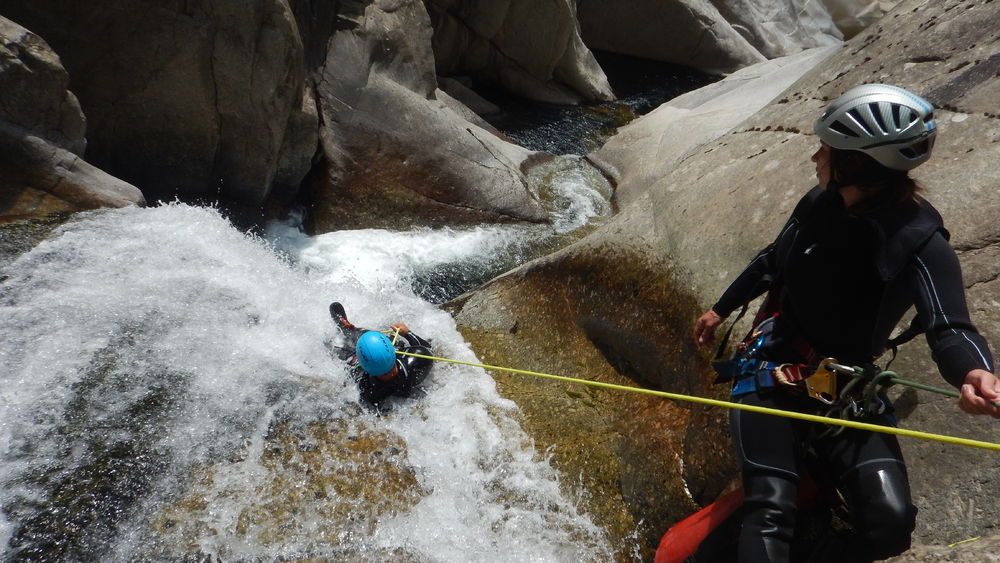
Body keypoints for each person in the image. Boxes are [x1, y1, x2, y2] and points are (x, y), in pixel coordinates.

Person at [692, 84, 1000, 562]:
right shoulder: (818, 205)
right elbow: (775, 259)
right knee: (770, 511)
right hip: (772, 366)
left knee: (890, 525)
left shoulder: (918, 238)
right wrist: (721, 308)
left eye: (828, 151)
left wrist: (973, 372)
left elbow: (950, 325)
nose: (816, 157)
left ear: (856, 164)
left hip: (843, 383)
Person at [330, 301, 434, 410]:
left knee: (340, 351)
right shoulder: (420, 359)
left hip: (367, 366)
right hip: (388, 364)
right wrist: (408, 333)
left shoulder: (367, 390)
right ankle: (348, 330)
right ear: (391, 349)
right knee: (364, 344)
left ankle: (347, 328)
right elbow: (427, 349)